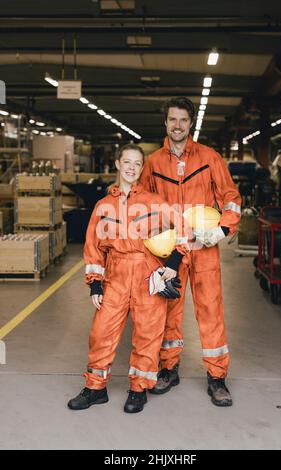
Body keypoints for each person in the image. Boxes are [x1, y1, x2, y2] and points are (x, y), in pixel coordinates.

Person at [68, 144, 186, 414]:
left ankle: (138, 389)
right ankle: (95, 388)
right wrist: (95, 284)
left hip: (147, 273)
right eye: (127, 162)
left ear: (141, 168)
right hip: (116, 275)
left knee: (147, 334)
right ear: (118, 164)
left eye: (137, 163)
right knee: (101, 333)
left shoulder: (154, 202)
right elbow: (93, 247)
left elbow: (184, 228)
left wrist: (173, 263)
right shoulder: (103, 206)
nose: (132, 167)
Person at [140, 97, 241, 406]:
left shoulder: (210, 158)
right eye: (173, 120)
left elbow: (231, 197)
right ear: (165, 123)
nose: (178, 125)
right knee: (169, 310)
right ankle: (169, 369)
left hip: (203, 247)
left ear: (191, 123)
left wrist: (222, 230)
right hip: (171, 250)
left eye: (183, 120)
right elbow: (142, 203)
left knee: (211, 310)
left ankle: (217, 377)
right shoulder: (154, 162)